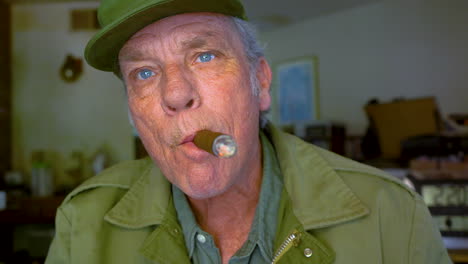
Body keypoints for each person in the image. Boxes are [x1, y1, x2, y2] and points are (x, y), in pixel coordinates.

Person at [45, 0, 452, 263]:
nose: (176, 94)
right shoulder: (83, 225)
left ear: (259, 82)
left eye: (204, 56)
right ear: (133, 110)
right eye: (144, 72)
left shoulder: (392, 217)